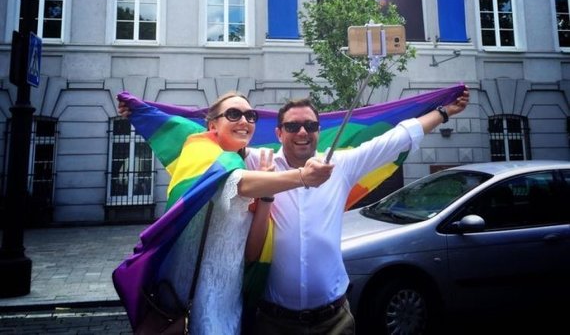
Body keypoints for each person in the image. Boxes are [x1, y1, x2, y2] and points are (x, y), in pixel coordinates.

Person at [246, 89, 470, 334]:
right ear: (279, 132)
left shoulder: (340, 166)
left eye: (310, 125)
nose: (302, 132)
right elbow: (218, 149)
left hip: (334, 322)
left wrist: (443, 112)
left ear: (319, 131)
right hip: (274, 322)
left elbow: (398, 138)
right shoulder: (260, 163)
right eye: (292, 126)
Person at [116, 91, 333, 335]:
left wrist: (266, 196)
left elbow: (252, 252)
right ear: (213, 125)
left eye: (251, 116)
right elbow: (236, 182)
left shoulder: (246, 164)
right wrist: (302, 176)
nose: (244, 121)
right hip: (194, 297)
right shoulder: (201, 152)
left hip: (228, 297)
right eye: (233, 114)